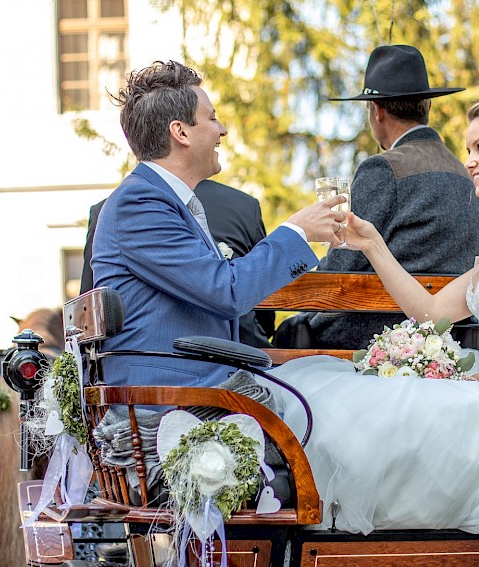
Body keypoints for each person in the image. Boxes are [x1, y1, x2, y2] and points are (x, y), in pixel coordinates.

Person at [264, 81, 479, 534]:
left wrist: (475, 382)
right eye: (468, 147)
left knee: (386, 413)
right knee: (352, 394)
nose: (468, 160)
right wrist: (372, 245)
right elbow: (431, 313)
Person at [90, 60, 347, 388]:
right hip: (172, 397)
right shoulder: (139, 204)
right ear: (180, 132)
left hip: (203, 384)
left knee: (331, 381)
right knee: (333, 390)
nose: (222, 130)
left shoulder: (161, 199)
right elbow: (226, 292)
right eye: (211, 118)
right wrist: (298, 231)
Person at [279, 44, 479, 350]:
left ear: (376, 111)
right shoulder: (463, 172)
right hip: (451, 336)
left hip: (373, 330)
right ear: (426, 107)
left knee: (286, 332)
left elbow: (344, 260)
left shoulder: (382, 168)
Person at [80, 179, 275, 347]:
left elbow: (89, 307)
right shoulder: (244, 205)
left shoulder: (106, 208)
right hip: (246, 349)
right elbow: (266, 318)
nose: (222, 133)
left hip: (156, 355)